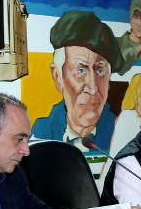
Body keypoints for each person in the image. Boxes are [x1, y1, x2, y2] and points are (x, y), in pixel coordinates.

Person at [31, 10, 118, 149]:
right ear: (58, 78)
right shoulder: (39, 135)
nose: (92, 88)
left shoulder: (120, 134)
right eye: (81, 71)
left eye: (100, 70)